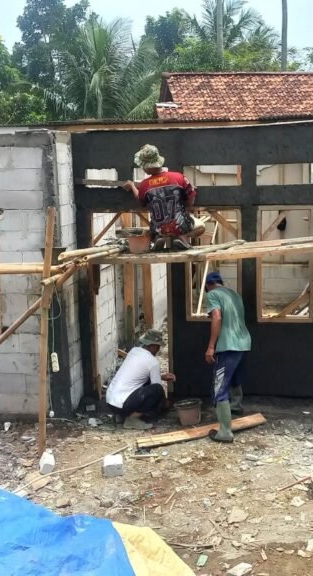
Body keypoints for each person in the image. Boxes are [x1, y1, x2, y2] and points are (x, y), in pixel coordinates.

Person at [122, 144, 205, 250]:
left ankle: (158, 238)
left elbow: (140, 200)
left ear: (147, 167)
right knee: (201, 226)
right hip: (179, 226)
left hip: (158, 229)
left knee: (158, 227)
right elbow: (191, 200)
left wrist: (132, 186)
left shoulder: (144, 185)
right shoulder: (178, 177)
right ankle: (182, 238)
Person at [203, 271, 251, 443]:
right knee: (234, 377)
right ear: (221, 282)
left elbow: (217, 317)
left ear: (208, 286)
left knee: (219, 386)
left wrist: (211, 346)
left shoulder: (213, 294)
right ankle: (236, 407)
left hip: (228, 344)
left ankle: (225, 432)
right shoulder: (235, 295)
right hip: (243, 342)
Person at [105, 329, 176, 430]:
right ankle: (132, 419)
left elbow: (137, 373)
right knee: (157, 389)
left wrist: (161, 376)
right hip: (124, 404)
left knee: (145, 383)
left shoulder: (134, 351)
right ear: (153, 346)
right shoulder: (153, 362)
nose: (158, 350)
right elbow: (158, 389)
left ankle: (120, 416)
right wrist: (166, 404)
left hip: (110, 402)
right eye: (158, 347)